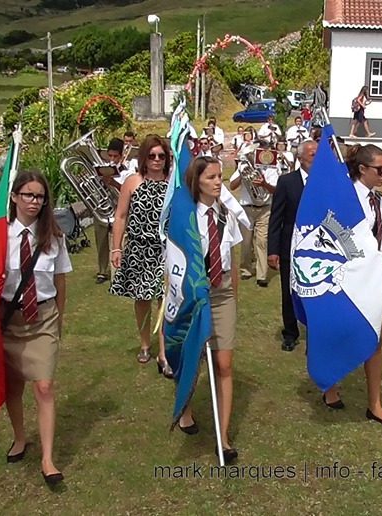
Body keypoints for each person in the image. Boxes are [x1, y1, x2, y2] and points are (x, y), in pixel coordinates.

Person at [319, 143, 382, 427]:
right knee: (337, 332)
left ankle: (374, 404)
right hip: (347, 276)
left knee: (375, 339)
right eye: (379, 169)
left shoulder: (381, 201)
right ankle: (329, 384)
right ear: (362, 169)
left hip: (374, 278)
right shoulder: (344, 196)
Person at [2, 170, 72, 486]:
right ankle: (19, 437)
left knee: (43, 386)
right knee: (13, 385)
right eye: (28, 195)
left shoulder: (54, 237)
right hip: (10, 320)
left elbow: (60, 280)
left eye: (40, 196)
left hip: (43, 317)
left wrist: (59, 318)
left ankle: (47, 458)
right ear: (14, 196)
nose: (34, 201)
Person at [177, 156, 243, 463]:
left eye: (220, 176)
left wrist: (234, 297)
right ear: (196, 181)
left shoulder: (226, 214)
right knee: (193, 356)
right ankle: (185, 409)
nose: (218, 182)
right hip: (194, 293)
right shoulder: (185, 218)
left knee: (225, 363)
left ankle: (223, 435)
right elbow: (175, 264)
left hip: (222, 293)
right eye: (212, 177)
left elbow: (233, 258)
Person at [110, 135, 171, 375]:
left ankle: (164, 352)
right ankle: (145, 343)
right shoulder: (132, 182)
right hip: (138, 248)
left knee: (165, 300)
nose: (157, 160)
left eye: (161, 156)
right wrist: (117, 247)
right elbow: (121, 216)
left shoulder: (173, 183)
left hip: (166, 249)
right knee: (142, 297)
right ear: (144, 157)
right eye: (152, 155)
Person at [267, 140, 317, 351]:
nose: (317, 158)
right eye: (313, 154)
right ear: (301, 158)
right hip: (290, 247)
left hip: (316, 248)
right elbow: (276, 218)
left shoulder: (325, 182)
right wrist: (273, 251)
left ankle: (316, 332)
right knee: (289, 292)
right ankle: (290, 333)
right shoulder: (287, 182)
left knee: (316, 291)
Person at [229, 142, 278, 287]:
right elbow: (232, 185)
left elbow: (275, 190)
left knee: (262, 242)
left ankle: (262, 275)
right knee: (245, 242)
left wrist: (264, 184)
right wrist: (242, 176)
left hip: (265, 208)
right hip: (246, 208)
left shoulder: (272, 167)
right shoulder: (244, 167)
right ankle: (246, 269)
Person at [93, 138, 125, 285]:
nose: (112, 159)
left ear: (121, 155)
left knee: (119, 241)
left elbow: (128, 191)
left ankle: (119, 270)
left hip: (120, 210)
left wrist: (114, 183)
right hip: (103, 209)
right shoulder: (102, 167)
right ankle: (102, 270)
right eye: (110, 156)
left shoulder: (127, 170)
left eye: (115, 156)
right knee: (101, 241)